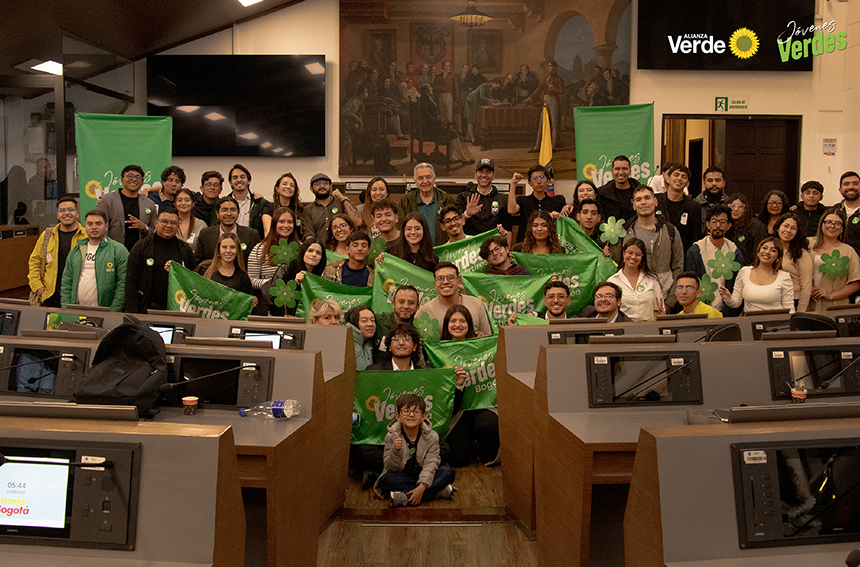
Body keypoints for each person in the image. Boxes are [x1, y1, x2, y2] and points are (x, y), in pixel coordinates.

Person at [439, 304, 500, 467]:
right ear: (446, 325)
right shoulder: (437, 351)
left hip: (482, 404)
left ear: (470, 325)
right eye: (453, 321)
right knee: (457, 458)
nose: (458, 325)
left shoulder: (481, 345)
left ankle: (483, 447)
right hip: (458, 409)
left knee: (488, 427)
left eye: (463, 321)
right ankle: (470, 442)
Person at [373, 393, 456, 507]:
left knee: (448, 472)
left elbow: (431, 464)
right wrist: (396, 451)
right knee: (387, 480)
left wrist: (422, 487)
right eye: (406, 411)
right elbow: (391, 467)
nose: (411, 415)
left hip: (422, 472)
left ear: (423, 416)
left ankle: (404, 497)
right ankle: (436, 493)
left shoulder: (432, 436)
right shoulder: (391, 436)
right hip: (403, 474)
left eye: (416, 411)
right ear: (398, 416)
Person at [609, 185, 684, 308]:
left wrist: (670, 302)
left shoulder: (670, 231)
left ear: (655, 201)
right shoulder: (623, 232)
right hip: (632, 300)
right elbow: (616, 265)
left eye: (647, 198)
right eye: (638, 200)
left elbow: (678, 267)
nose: (643, 202)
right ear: (633, 205)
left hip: (665, 297)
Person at [125, 209, 197, 313]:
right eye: (164, 222)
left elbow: (192, 278)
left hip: (176, 308)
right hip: (146, 307)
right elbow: (131, 280)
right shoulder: (141, 247)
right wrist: (133, 311)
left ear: (178, 226)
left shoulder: (185, 249)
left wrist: (178, 271)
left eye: (173, 223)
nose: (169, 226)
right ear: (156, 223)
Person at [60, 209, 128, 312]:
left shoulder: (119, 250)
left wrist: (114, 311)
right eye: (90, 224)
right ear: (85, 226)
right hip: (77, 310)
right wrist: (66, 309)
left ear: (106, 226)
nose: (94, 227)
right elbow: (66, 283)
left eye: (98, 224)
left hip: (106, 312)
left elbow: (123, 284)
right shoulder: (76, 250)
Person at [28, 196, 87, 308]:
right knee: (51, 325)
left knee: (75, 325)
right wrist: (38, 288)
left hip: (78, 297)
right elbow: (34, 262)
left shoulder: (86, 236)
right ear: (57, 215)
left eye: (70, 209)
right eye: (62, 210)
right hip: (50, 297)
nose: (66, 213)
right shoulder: (47, 235)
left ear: (77, 214)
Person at [684, 205, 743, 313]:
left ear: (729, 226)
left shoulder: (735, 252)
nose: (718, 226)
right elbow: (690, 283)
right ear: (708, 224)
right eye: (714, 221)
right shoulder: (696, 251)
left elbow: (738, 286)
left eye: (722, 222)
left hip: (728, 311)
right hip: (701, 311)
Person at [719, 237, 794, 314]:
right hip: (750, 322)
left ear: (778, 257)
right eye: (764, 248)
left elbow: (789, 308)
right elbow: (736, 303)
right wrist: (728, 298)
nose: (767, 252)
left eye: (773, 250)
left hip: (775, 323)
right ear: (758, 252)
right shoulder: (744, 272)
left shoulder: (784, 276)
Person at [417, 262, 492, 337]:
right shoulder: (425, 312)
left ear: (458, 280)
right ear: (435, 284)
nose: (445, 282)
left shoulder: (476, 304)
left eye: (451, 277)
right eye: (440, 278)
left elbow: (488, 339)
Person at [808, 208, 860, 312]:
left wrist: (831, 295)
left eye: (837, 224)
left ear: (842, 228)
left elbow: (855, 283)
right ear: (821, 224)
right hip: (807, 303)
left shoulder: (848, 251)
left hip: (835, 306)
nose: (832, 226)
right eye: (828, 222)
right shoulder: (807, 244)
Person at [97, 164, 156, 251]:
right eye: (130, 176)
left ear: (142, 182)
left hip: (141, 253)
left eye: (138, 177)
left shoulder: (149, 204)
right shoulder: (108, 200)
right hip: (113, 252)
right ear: (122, 179)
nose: (134, 179)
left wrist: (144, 228)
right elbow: (100, 228)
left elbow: (155, 233)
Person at [398, 163, 456, 246]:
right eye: (420, 178)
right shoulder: (406, 201)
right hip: (414, 253)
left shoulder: (446, 199)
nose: (425, 181)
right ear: (415, 181)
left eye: (428, 177)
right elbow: (400, 228)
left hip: (442, 252)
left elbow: (454, 225)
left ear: (434, 179)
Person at [607, 238, 664, 321]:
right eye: (630, 253)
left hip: (649, 329)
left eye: (638, 254)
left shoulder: (652, 280)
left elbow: (661, 310)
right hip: (622, 329)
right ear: (623, 253)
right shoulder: (612, 281)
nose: (633, 257)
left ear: (642, 257)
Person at [266, 238, 327, 316]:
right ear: (303, 252)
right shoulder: (287, 268)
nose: (314, 255)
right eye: (310, 251)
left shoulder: (322, 276)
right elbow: (275, 298)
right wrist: (294, 283)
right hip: (283, 318)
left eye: (318, 253)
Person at [507, 165, 566, 244]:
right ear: (529, 183)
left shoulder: (557, 201)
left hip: (550, 244)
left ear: (548, 180)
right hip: (526, 244)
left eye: (542, 177)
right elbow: (511, 210)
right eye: (534, 178)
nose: (538, 181)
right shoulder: (523, 200)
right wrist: (513, 183)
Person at [195, 196, 261, 265]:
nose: (229, 213)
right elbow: (198, 263)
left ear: (238, 213)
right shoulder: (206, 234)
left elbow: (256, 263)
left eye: (233, 210)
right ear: (217, 214)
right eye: (224, 210)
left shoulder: (251, 235)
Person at [248, 206, 300, 290]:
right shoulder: (260, 249)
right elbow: (251, 280)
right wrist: (275, 284)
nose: (286, 225)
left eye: (290, 222)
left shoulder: (301, 248)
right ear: (274, 224)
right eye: (281, 222)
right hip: (268, 298)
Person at [457, 159, 511, 238]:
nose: (484, 175)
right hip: (470, 245)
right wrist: (467, 214)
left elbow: (508, 230)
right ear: (475, 175)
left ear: (493, 176)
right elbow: (455, 225)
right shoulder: (464, 197)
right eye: (481, 171)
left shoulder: (503, 199)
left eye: (488, 172)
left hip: (494, 245)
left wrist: (507, 249)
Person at [302, 172, 361, 243]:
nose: (322, 186)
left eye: (325, 183)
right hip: (321, 250)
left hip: (343, 249)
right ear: (311, 189)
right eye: (317, 184)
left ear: (330, 186)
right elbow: (309, 235)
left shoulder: (341, 203)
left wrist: (342, 198)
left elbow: (357, 222)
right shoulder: (308, 210)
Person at [655, 164, 702, 252]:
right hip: (657, 252)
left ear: (687, 183)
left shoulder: (694, 206)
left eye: (683, 177)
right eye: (676, 175)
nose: (679, 178)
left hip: (682, 253)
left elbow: (695, 236)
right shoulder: (655, 200)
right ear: (668, 179)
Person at [198, 233, 256, 303]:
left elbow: (247, 301)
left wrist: (252, 302)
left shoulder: (243, 277)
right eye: (224, 247)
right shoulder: (204, 268)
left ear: (237, 251)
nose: (228, 251)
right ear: (219, 250)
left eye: (232, 247)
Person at [774, 212, 813, 312]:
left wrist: (800, 313)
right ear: (778, 227)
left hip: (793, 301)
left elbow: (806, 286)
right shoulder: (768, 249)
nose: (788, 231)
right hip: (771, 300)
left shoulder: (801, 254)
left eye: (793, 228)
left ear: (797, 233)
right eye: (785, 226)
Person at [525, 60, 564, 151]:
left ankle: (553, 146)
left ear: (554, 68)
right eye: (548, 66)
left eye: (550, 66)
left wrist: (553, 88)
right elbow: (540, 88)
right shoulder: (547, 78)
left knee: (554, 124)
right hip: (546, 100)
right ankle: (537, 146)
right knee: (542, 123)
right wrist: (531, 98)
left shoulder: (559, 79)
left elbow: (562, 91)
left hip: (553, 100)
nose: (548, 68)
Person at [226, 164, 270, 239]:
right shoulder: (223, 204)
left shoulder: (260, 203)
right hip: (229, 246)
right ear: (230, 182)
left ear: (249, 181)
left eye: (242, 177)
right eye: (235, 177)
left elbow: (266, 230)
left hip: (254, 246)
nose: (239, 180)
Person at [375, 284, 421, 353]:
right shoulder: (377, 321)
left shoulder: (421, 329)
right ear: (393, 304)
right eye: (401, 302)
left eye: (411, 303)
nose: (406, 306)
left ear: (417, 306)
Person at [726, 193, 768, 267]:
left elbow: (759, 252)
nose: (736, 209)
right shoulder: (726, 225)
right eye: (732, 206)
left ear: (746, 208)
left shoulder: (756, 225)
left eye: (740, 206)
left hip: (750, 269)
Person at [598, 155, 642, 224]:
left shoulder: (641, 192)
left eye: (624, 169)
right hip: (610, 233)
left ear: (630, 171)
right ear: (612, 172)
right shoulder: (602, 193)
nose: (621, 172)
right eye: (617, 169)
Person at [464, 77, 501, 143]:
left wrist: (495, 100)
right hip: (471, 101)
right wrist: (492, 101)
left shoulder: (490, 88)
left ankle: (467, 137)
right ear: (494, 83)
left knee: (473, 119)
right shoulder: (484, 85)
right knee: (471, 119)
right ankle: (473, 139)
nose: (497, 88)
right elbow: (482, 97)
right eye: (496, 86)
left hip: (476, 102)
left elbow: (488, 96)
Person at [693, 166, 728, 234]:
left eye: (718, 180)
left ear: (724, 183)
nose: (714, 184)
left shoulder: (730, 204)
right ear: (704, 183)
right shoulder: (695, 204)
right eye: (710, 180)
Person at [345, 305, 378, 371]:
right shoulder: (345, 342)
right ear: (354, 323)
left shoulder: (372, 343)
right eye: (364, 321)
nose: (370, 324)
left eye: (372, 320)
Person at [837, 171, 860, 256]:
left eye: (855, 183)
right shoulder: (834, 211)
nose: (851, 187)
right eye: (846, 184)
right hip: (838, 263)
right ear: (840, 190)